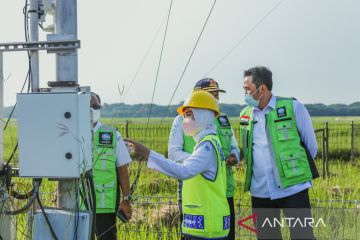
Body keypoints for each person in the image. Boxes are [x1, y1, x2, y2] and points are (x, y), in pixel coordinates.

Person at [126, 91, 230, 239]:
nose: (185, 121)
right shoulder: (207, 143)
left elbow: (183, 171)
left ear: (203, 115)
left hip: (206, 228)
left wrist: (147, 153)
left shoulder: (207, 147)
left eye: (189, 114)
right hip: (204, 226)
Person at [239, 66, 319, 240]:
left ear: (262, 89)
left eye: (247, 89)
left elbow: (311, 147)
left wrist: (292, 171)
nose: (244, 93)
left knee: (303, 236)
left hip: (293, 189)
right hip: (260, 192)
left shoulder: (293, 107)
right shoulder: (245, 115)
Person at [168, 78, 240, 240]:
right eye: (211, 95)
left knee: (226, 234)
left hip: (223, 187)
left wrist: (234, 155)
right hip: (195, 189)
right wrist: (201, 162)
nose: (215, 99)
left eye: (217, 95)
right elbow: (173, 153)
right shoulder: (182, 119)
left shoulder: (222, 119)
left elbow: (234, 145)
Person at [90, 92, 132, 240]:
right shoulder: (71, 134)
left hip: (105, 205)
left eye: (95, 106)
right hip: (78, 205)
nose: (91, 110)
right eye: (87, 106)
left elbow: (122, 168)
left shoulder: (112, 135)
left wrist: (126, 199)